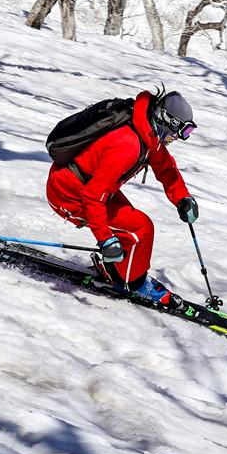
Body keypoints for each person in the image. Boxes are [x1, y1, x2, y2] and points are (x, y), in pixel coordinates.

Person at [45, 88, 199, 306]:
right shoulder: (127, 144)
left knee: (131, 228)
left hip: (88, 187)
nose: (178, 138)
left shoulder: (147, 131)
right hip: (69, 195)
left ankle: (117, 271)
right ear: (165, 121)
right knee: (141, 228)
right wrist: (105, 239)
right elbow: (93, 197)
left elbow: (166, 168)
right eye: (178, 132)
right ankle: (133, 284)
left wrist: (182, 198)